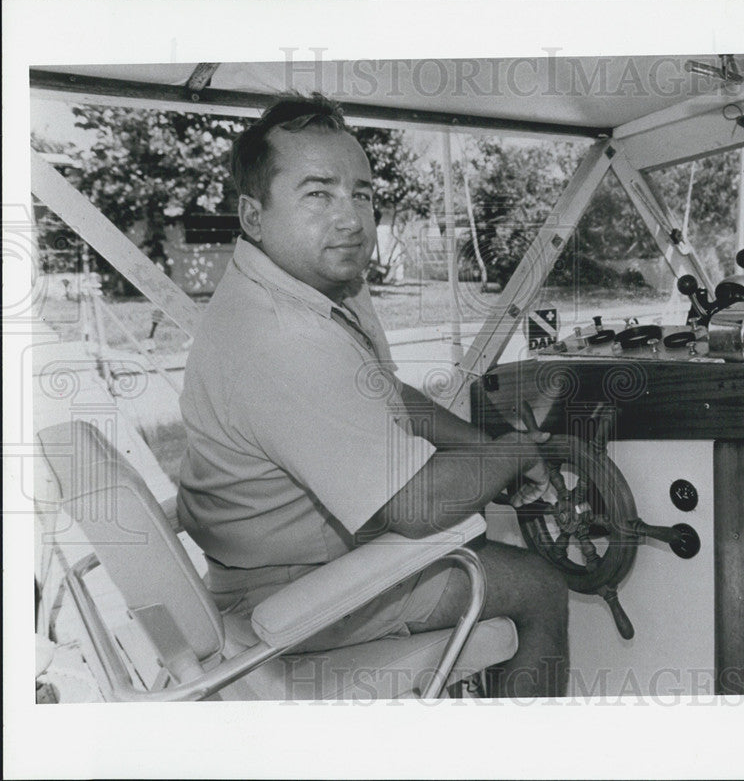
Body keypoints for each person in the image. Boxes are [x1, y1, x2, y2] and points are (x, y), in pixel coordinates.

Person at [177, 95, 568, 698]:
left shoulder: (314, 283)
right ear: (253, 216)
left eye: (360, 193)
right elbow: (415, 510)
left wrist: (486, 447)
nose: (351, 219)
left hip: (298, 558)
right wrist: (518, 452)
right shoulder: (280, 338)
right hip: (287, 594)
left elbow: (386, 394)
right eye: (318, 193)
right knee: (538, 587)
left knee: (483, 532)